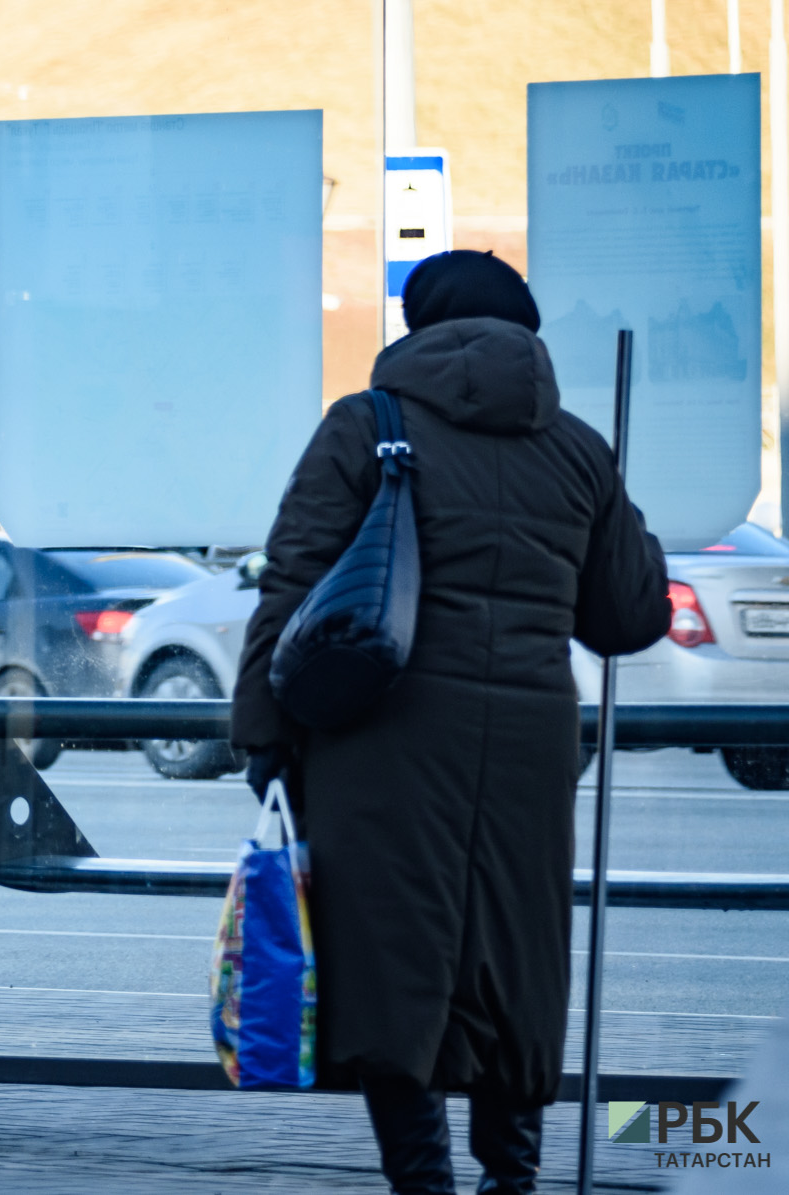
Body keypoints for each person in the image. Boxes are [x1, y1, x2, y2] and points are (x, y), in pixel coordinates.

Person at [231, 251, 669, 1194]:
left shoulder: (367, 425)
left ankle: (422, 1182)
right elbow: (628, 617)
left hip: (381, 739)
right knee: (515, 957)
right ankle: (513, 1179)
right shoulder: (581, 448)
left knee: (396, 961)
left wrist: (263, 733)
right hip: (529, 748)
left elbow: (294, 581)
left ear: (418, 324)